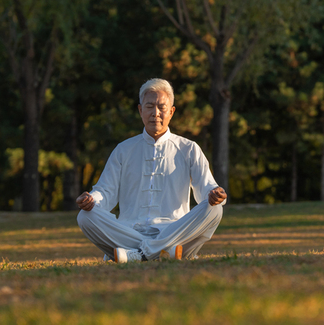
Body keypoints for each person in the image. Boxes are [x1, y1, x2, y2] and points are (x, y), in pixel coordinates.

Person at [76, 78, 227, 262]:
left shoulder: (189, 148)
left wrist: (215, 194)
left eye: (162, 107)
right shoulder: (123, 150)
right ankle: (165, 253)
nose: (155, 113)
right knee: (85, 216)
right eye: (149, 106)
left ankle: (137, 255)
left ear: (171, 112)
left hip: (174, 231)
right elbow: (105, 191)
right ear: (140, 110)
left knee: (215, 210)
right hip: (129, 232)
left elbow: (207, 188)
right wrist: (92, 199)